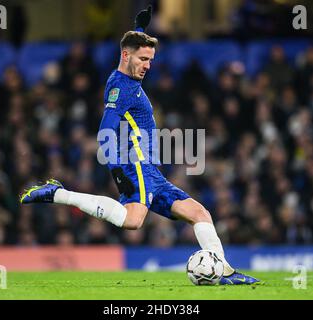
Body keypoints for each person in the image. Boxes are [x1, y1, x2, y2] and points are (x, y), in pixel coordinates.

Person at [20, 6, 260, 285]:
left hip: (150, 170)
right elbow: (106, 127)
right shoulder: (121, 88)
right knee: (133, 220)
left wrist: (140, 28)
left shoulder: (127, 72)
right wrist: (116, 165)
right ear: (126, 56)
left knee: (199, 213)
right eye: (144, 59)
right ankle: (59, 194)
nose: (148, 65)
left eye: (151, 60)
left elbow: (132, 48)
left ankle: (225, 272)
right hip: (135, 164)